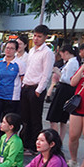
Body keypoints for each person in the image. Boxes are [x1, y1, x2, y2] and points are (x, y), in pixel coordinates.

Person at [19, 25, 55, 153]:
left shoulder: (47, 53)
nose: (36, 38)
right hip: (26, 86)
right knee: (25, 118)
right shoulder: (32, 51)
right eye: (35, 35)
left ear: (45, 37)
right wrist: (24, 85)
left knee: (35, 119)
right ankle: (24, 143)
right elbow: (28, 69)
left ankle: (34, 146)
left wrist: (39, 90)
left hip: (36, 88)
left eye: (39, 36)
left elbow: (46, 73)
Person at [45, 44, 80, 142]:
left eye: (62, 55)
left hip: (64, 89)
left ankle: (55, 140)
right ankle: (59, 139)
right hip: (66, 89)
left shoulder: (72, 63)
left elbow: (67, 79)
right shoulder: (72, 62)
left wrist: (57, 72)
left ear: (66, 53)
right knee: (62, 119)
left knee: (55, 117)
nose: (62, 57)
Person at [0, 39, 25, 126]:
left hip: (12, 96)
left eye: (12, 48)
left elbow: (22, 79)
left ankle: (3, 137)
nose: (8, 50)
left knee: (8, 120)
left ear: (16, 50)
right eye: (7, 48)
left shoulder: (20, 63)